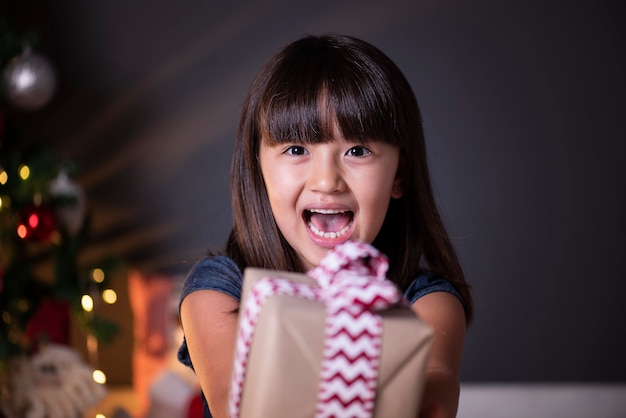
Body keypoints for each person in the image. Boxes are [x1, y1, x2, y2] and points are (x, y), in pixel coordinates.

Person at [178, 34, 473, 418]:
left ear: (399, 175)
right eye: (297, 150)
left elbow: (435, 388)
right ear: (259, 168)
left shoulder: (428, 302)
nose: (326, 180)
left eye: (357, 150)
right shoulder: (217, 293)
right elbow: (238, 406)